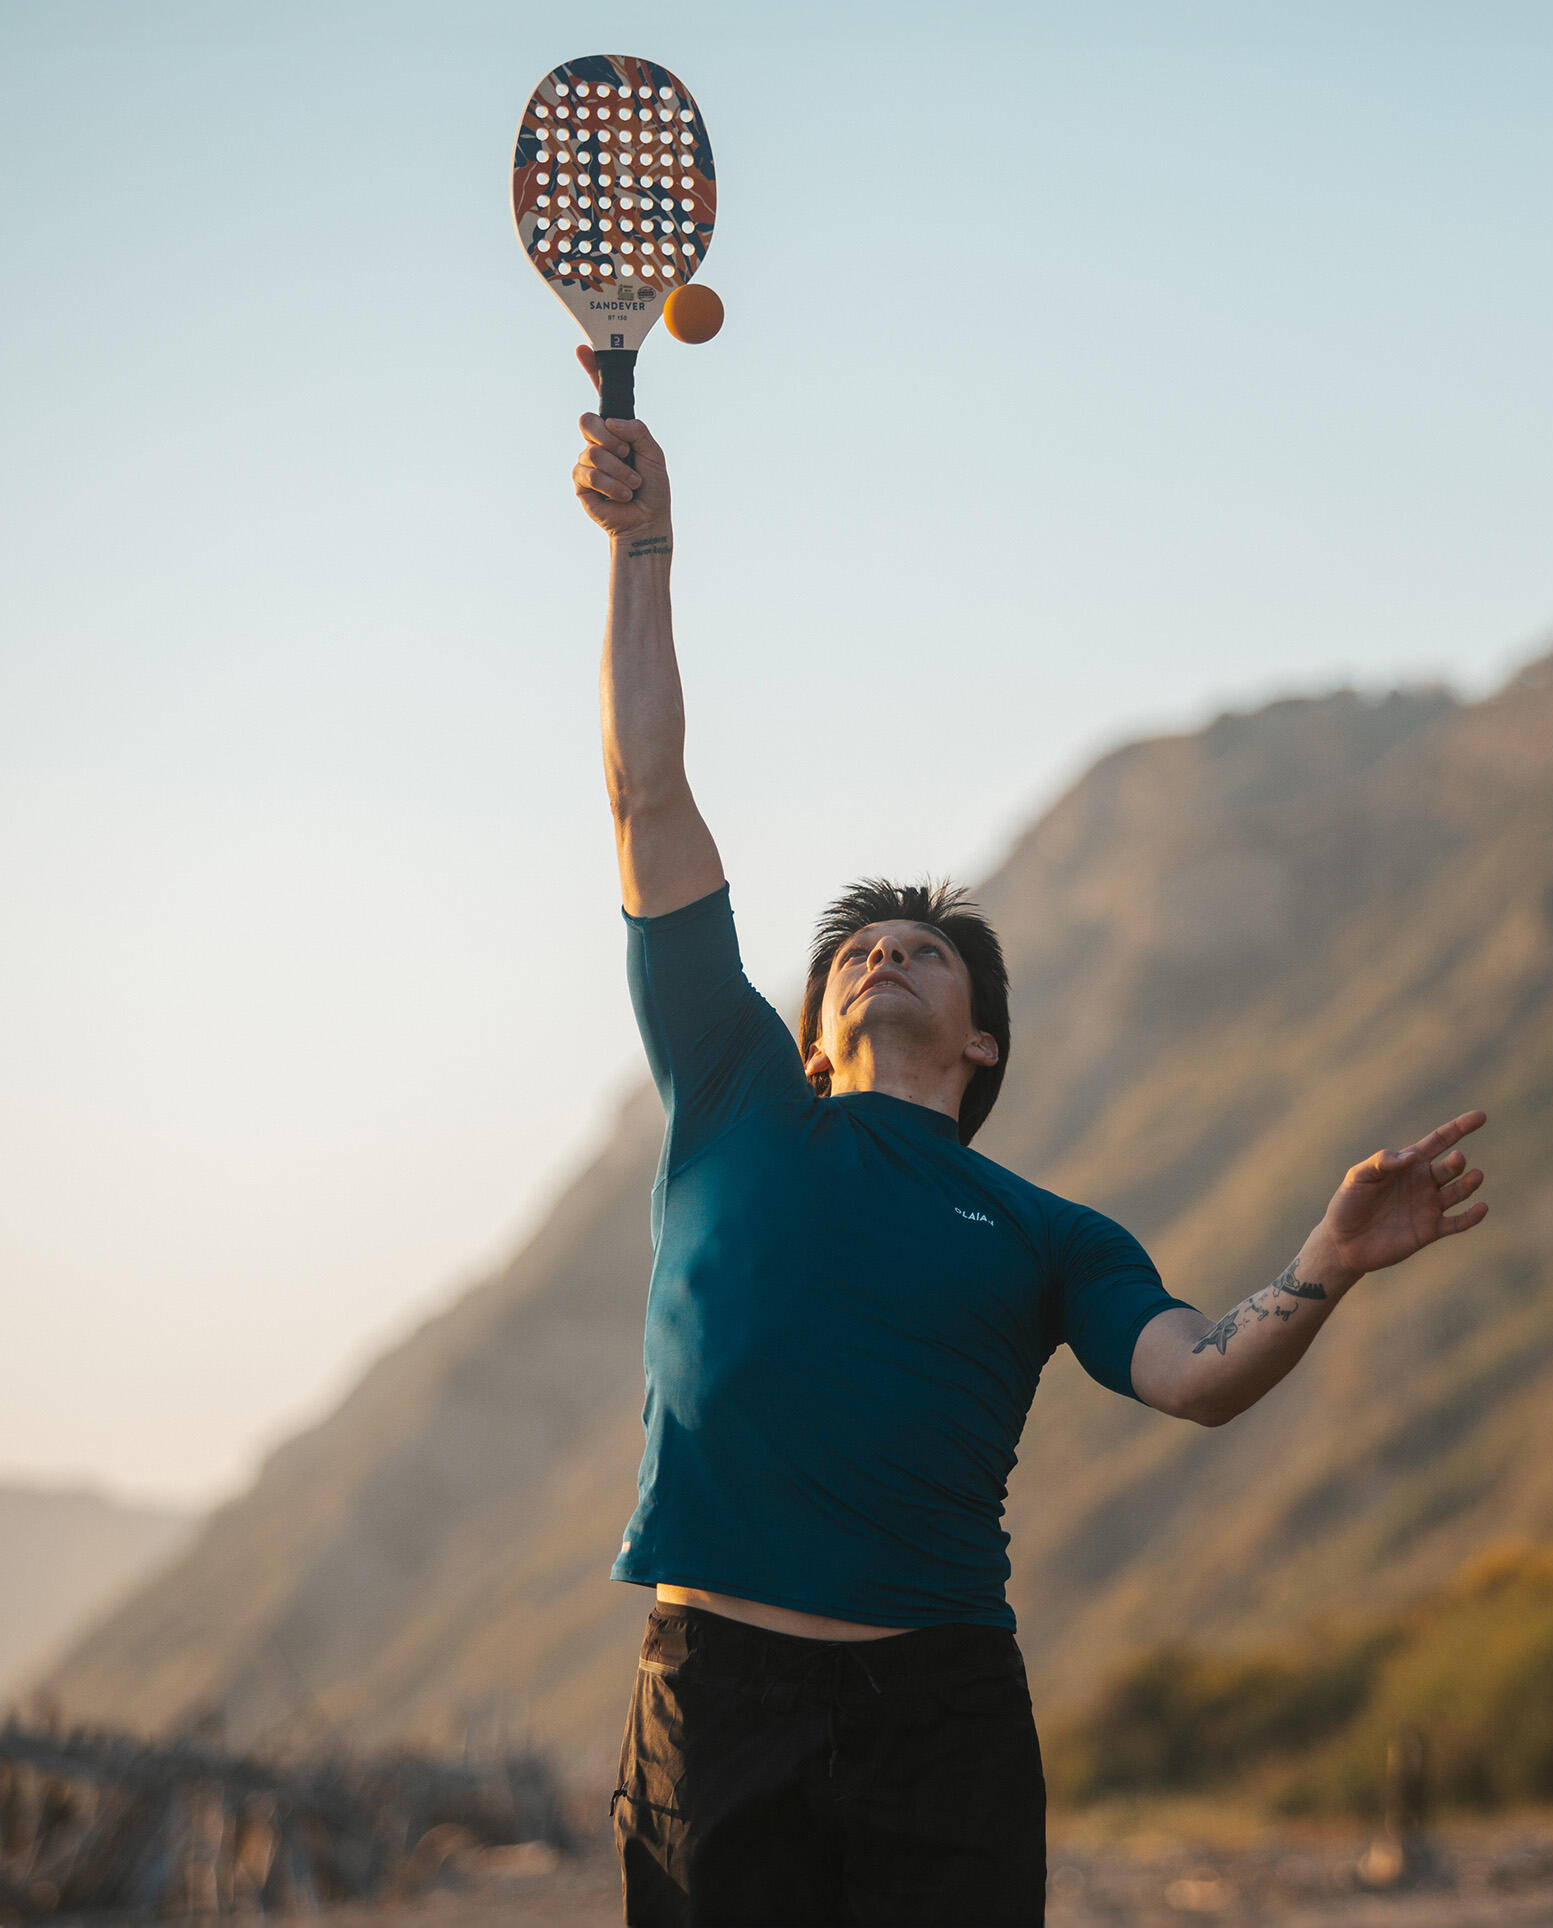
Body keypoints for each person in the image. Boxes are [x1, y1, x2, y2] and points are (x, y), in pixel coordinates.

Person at [568, 349, 1490, 1927]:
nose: (886, 955)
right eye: (857, 950)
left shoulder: (1055, 1235)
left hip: (942, 1715)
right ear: (807, 1029)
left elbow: (1199, 1377)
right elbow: (649, 797)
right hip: (714, 1694)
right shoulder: (731, 1092)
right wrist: (642, 555)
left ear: (981, 1038)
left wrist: (1324, 1265)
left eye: (930, 952)